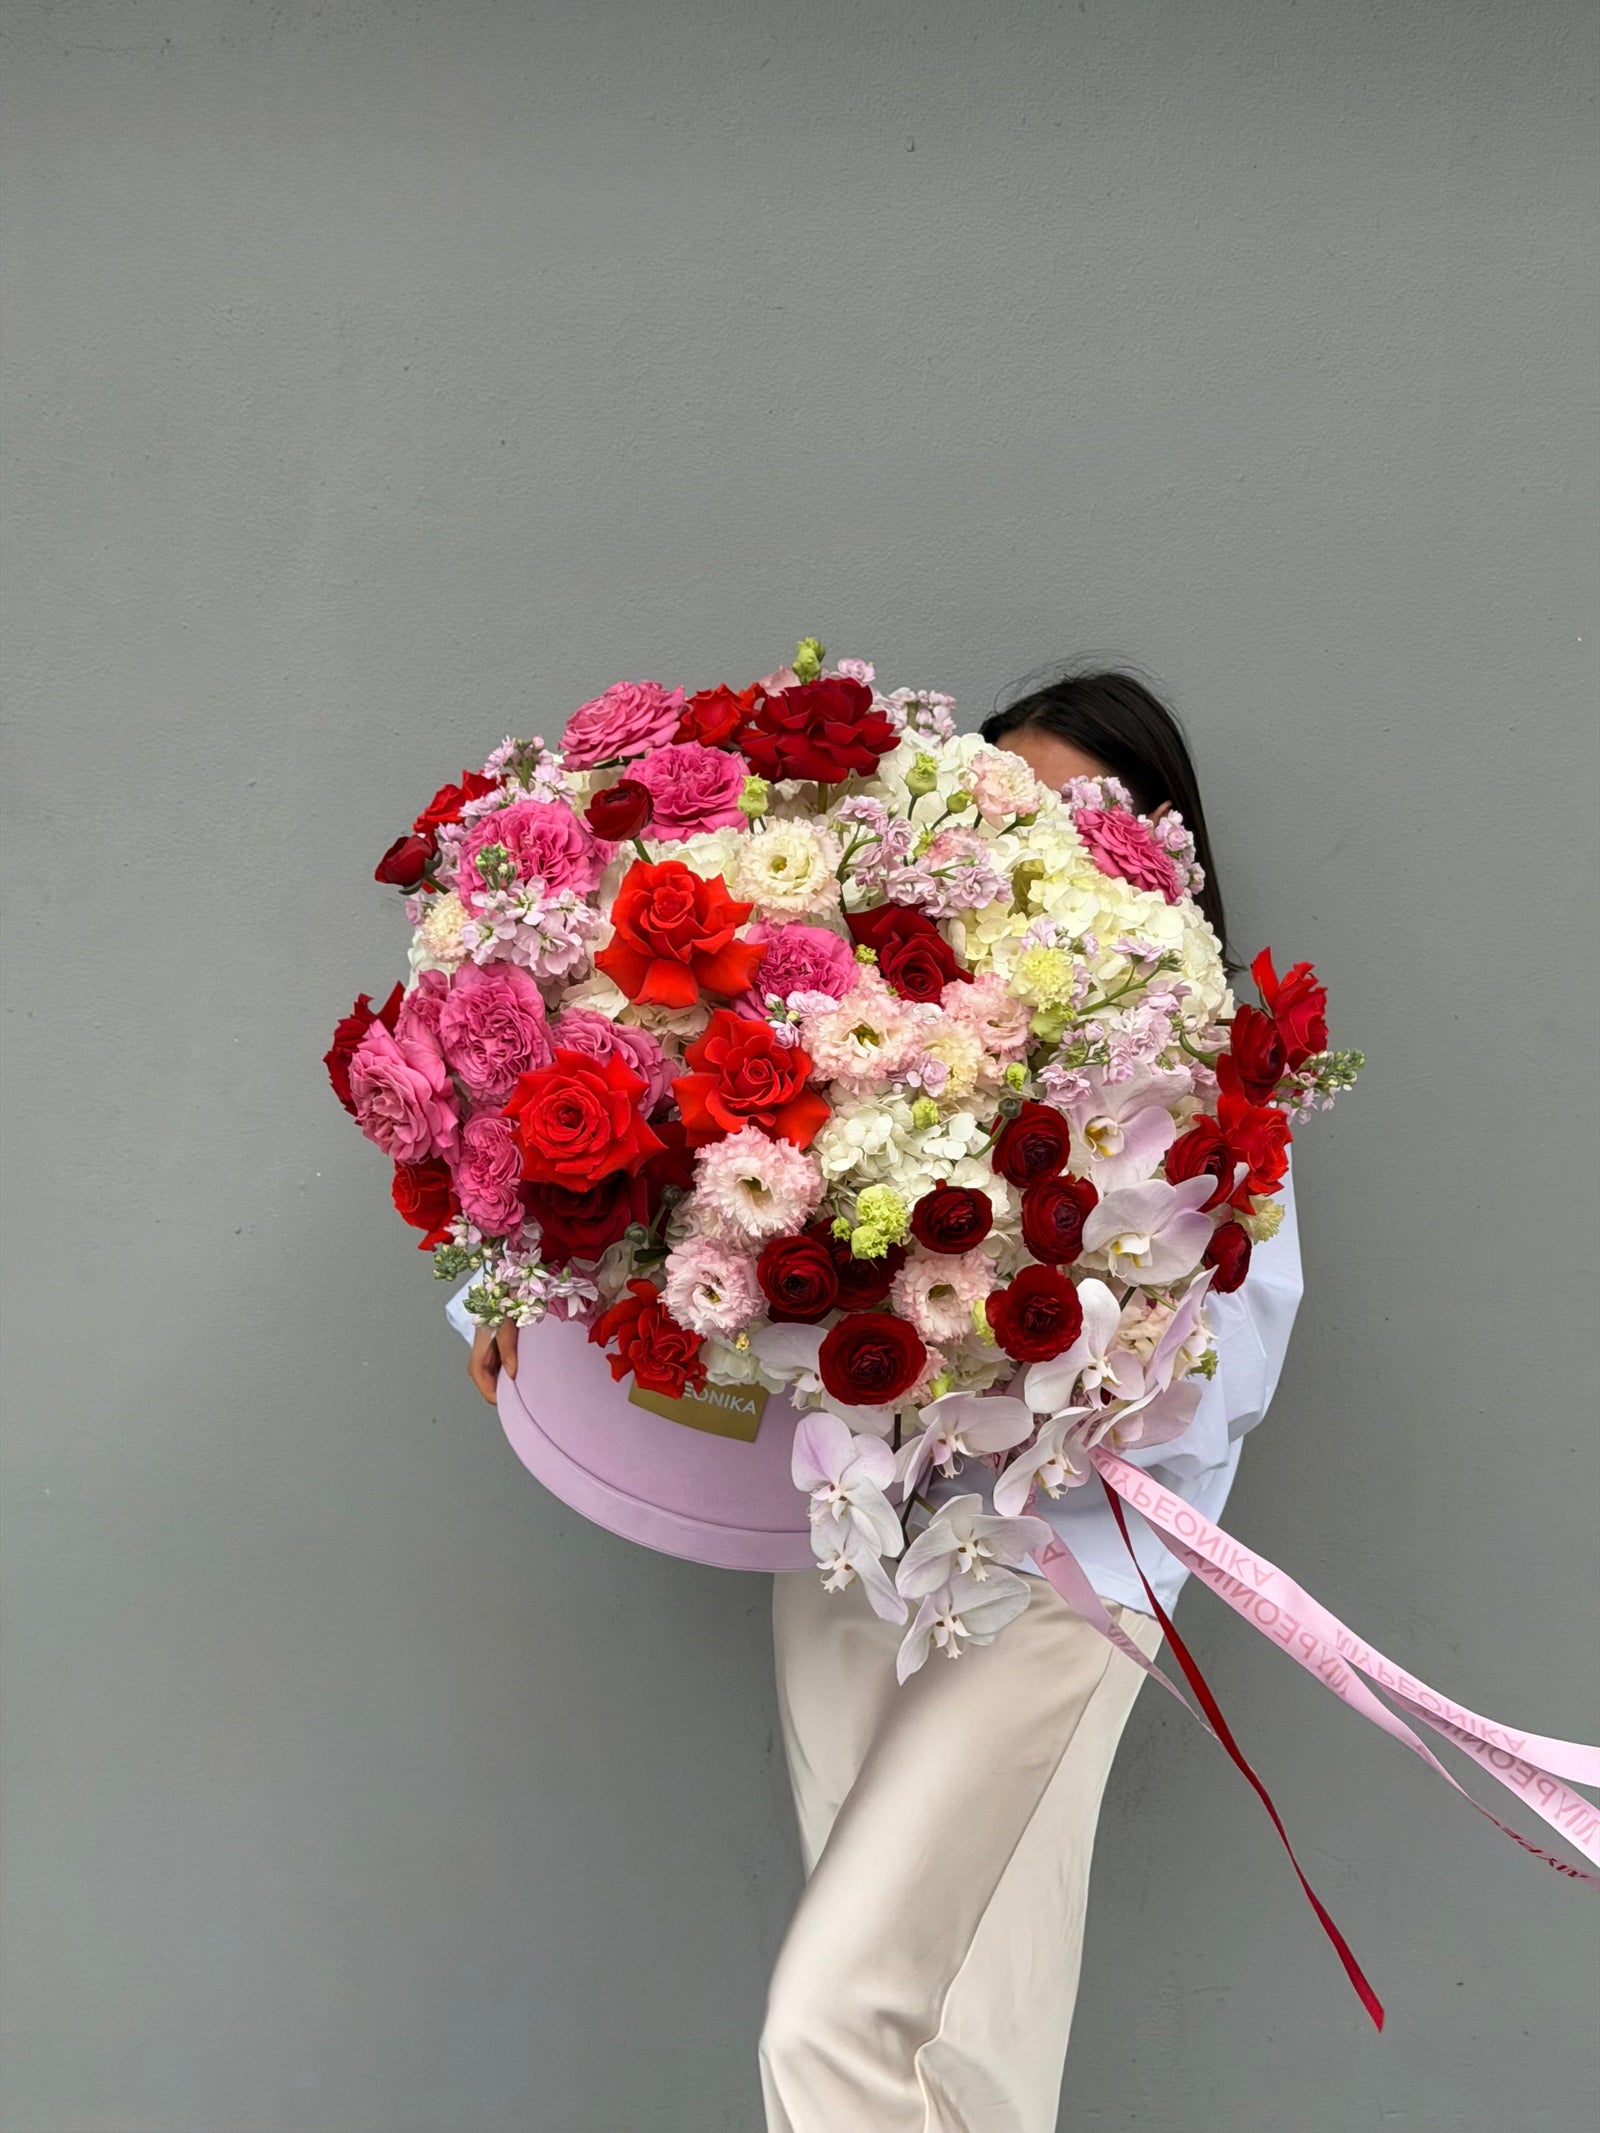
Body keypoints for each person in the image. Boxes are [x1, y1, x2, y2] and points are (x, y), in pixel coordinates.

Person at [462, 668, 1304, 2133]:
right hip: (843, 1554)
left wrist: (1050, 1387)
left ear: (1156, 856)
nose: (1043, 843)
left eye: (1082, 816)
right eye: (1014, 808)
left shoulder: (1203, 1086)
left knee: (835, 2021)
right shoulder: (883, 1042)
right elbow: (682, 1193)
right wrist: (500, 1305)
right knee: (962, 2038)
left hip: (1056, 1582)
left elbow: (1230, 1357)